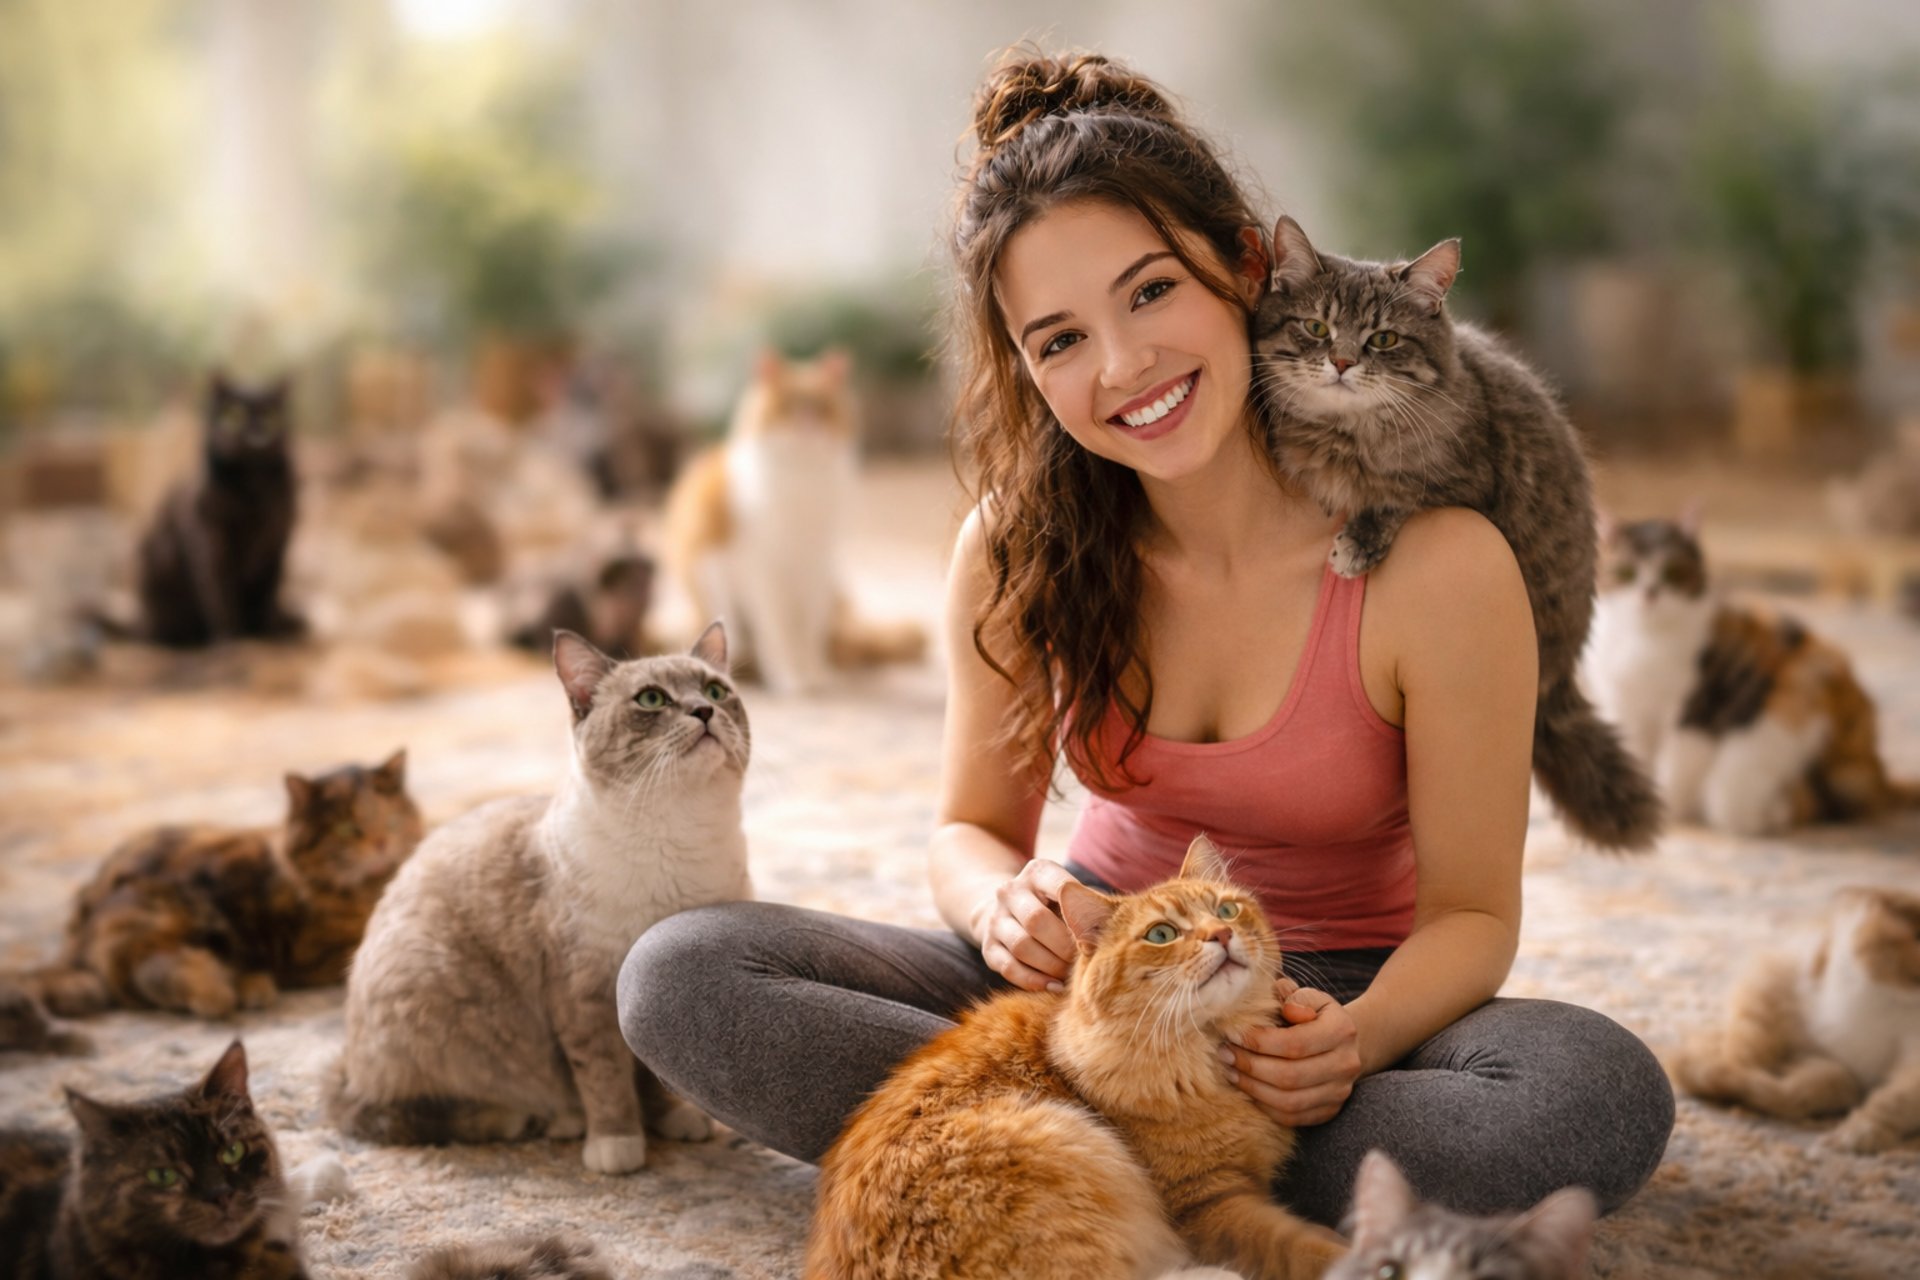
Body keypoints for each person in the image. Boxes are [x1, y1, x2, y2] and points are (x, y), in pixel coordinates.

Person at [618, 50, 1672, 1226]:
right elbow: (970, 829)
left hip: (1324, 1012)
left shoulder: (1438, 566)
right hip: (1092, 983)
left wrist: (1354, 1041)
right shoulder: (1015, 545)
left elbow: (1474, 915)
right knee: (683, 973)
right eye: (1059, 340)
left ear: (1243, 265)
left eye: (1152, 292)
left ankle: (1054, 1157)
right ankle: (1177, 1162)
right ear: (1025, 370)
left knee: (1587, 1098)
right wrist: (997, 904)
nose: (1124, 367)